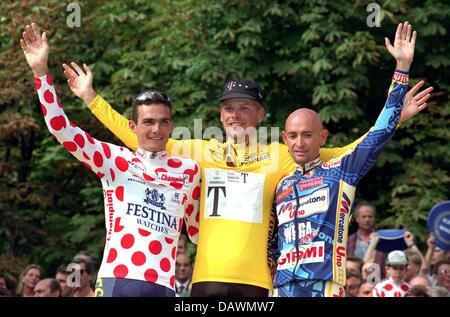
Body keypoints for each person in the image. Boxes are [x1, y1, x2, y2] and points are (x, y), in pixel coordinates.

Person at [61, 30, 429, 298]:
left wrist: (398, 116)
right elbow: (140, 136)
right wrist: (91, 97)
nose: (235, 114)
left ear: (260, 114)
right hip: (205, 280)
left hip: (258, 284)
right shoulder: (198, 152)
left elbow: (352, 150)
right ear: (220, 115)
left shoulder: (282, 153)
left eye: (244, 107)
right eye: (228, 108)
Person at [20, 23, 201, 297]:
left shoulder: (190, 171)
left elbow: (200, 232)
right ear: (132, 126)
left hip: (165, 286)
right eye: (148, 122)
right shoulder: (115, 160)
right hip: (117, 278)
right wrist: (41, 73)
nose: (156, 129)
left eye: (164, 122)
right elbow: (61, 128)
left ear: (172, 125)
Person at [271, 22, 430, 297]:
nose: (299, 143)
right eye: (293, 136)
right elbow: (272, 242)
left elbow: (377, 135)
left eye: (307, 135)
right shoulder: (280, 183)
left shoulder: (341, 170)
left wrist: (401, 69)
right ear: (285, 139)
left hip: (326, 286)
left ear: (323, 136)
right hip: (281, 288)